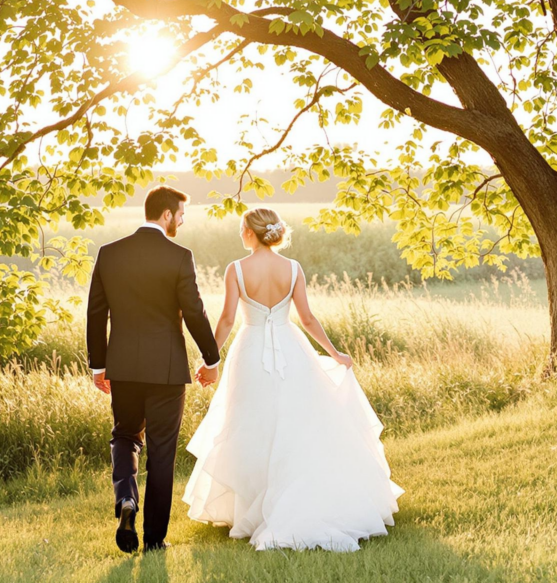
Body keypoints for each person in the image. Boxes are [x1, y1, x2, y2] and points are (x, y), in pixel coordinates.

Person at [183, 207, 404, 551]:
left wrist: (210, 360)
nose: (240, 234)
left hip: (251, 352)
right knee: (298, 424)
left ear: (252, 233)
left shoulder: (237, 270)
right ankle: (286, 499)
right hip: (291, 350)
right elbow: (309, 319)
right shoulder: (293, 268)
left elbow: (227, 319)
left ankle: (254, 509)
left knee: (252, 424)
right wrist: (335, 354)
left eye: (243, 229)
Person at [87, 186, 221, 553]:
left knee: (125, 436)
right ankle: (155, 540)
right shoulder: (179, 256)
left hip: (123, 366)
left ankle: (126, 498)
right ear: (166, 214)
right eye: (180, 214)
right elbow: (194, 311)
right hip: (166, 370)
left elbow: (96, 313)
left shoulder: (110, 254)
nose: (181, 220)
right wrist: (212, 359)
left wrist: (98, 365)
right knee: (162, 452)